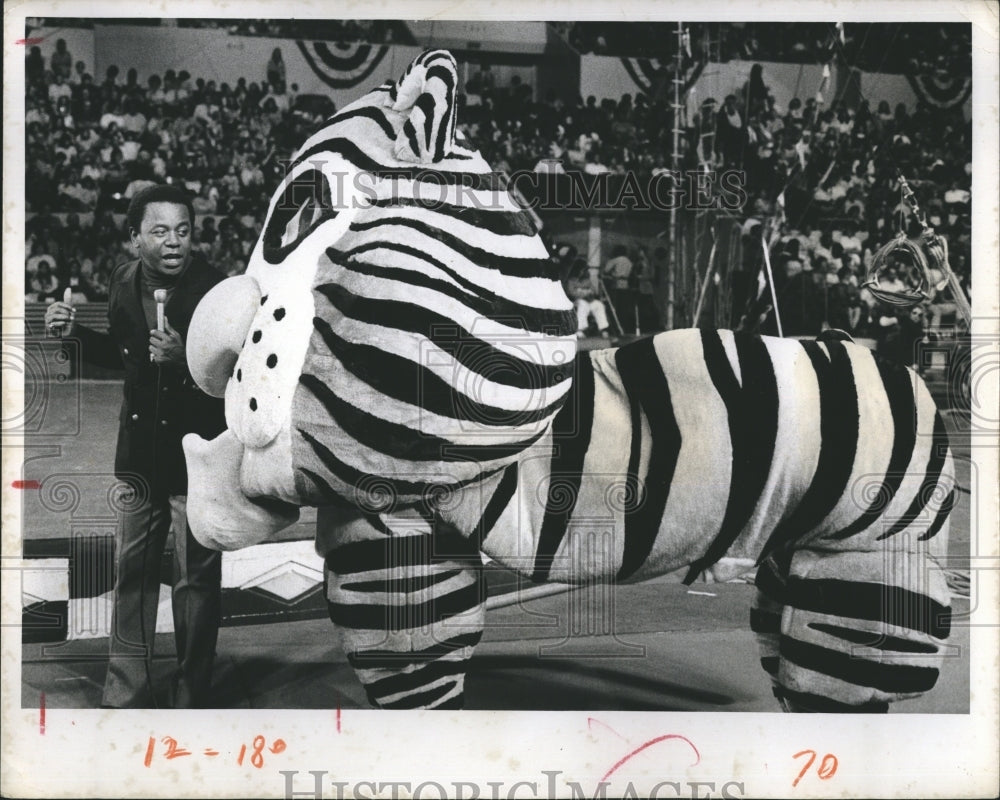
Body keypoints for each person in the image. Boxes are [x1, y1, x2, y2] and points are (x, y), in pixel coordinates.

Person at [44, 185, 227, 709]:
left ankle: (192, 693)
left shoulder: (218, 292)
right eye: (160, 231)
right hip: (139, 461)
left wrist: (186, 364)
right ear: (134, 238)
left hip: (196, 460)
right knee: (131, 576)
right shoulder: (123, 281)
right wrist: (74, 333)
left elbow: (237, 380)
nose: (174, 243)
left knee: (195, 582)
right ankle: (125, 692)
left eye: (184, 231)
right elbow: (124, 356)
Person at [565, 258, 610, 338]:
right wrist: (584, 293)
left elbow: (594, 291)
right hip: (575, 301)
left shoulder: (587, 280)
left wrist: (587, 293)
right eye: (582, 269)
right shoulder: (571, 280)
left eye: (584, 270)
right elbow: (571, 293)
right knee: (583, 304)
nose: (583, 271)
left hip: (588, 300)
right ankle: (580, 330)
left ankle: (603, 329)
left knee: (598, 305)